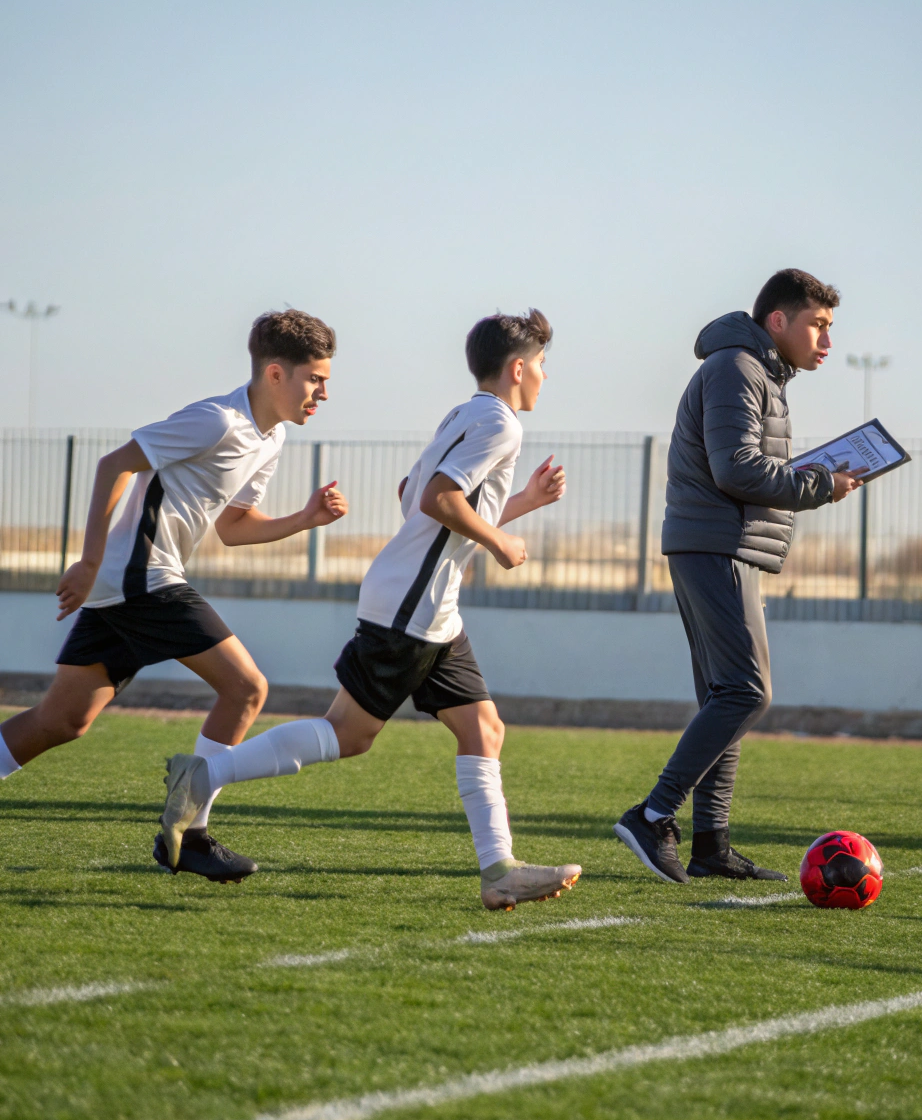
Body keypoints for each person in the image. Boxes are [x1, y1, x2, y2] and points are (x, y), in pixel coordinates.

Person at [158, 308, 583, 911]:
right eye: (542, 365)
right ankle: (204, 776)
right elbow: (437, 499)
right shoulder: (503, 425)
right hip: (414, 606)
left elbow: (412, 496)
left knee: (482, 728)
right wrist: (500, 541)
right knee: (348, 734)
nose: (545, 376)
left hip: (431, 606)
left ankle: (499, 872)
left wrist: (519, 505)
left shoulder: (465, 412)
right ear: (519, 368)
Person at [0, 309, 347, 883]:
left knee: (62, 719)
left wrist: (303, 519)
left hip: (128, 584)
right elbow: (115, 463)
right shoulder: (216, 420)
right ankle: (190, 836)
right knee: (246, 687)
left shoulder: (272, 437)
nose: (324, 393)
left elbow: (235, 527)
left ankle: (187, 834)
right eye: (317, 379)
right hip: (143, 577)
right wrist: (88, 560)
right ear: (276, 374)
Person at [614, 269, 865, 883]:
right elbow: (737, 470)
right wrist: (820, 486)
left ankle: (711, 846)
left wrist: (811, 480)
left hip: (723, 546)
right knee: (747, 692)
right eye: (819, 326)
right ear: (777, 321)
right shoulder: (738, 368)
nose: (827, 342)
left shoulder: (759, 372)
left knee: (724, 697)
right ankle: (651, 816)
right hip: (715, 546)